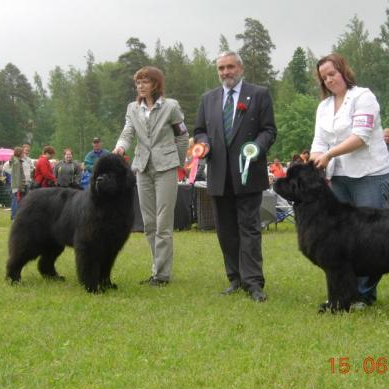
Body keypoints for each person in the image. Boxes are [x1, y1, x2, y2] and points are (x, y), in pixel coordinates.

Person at [310, 53, 389, 308]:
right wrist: (315, 159)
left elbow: (361, 136)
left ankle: (365, 294)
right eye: (324, 78)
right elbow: (318, 142)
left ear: (344, 71)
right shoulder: (323, 107)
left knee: (371, 236)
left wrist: (328, 154)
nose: (329, 80)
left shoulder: (363, 97)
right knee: (342, 240)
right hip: (339, 177)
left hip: (369, 173)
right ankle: (343, 293)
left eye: (332, 74)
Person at [194, 51, 276, 302]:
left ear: (240, 67)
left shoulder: (259, 94)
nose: (225, 72)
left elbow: (269, 130)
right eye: (221, 68)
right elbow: (200, 131)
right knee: (226, 230)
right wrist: (203, 144)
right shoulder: (208, 99)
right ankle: (234, 278)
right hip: (219, 175)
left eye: (230, 67)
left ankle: (253, 282)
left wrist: (256, 149)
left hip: (248, 173)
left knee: (249, 228)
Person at [114, 66, 188, 286]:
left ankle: (162, 274)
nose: (140, 86)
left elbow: (182, 137)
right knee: (149, 223)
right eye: (138, 82)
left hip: (166, 168)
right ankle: (157, 268)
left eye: (145, 81)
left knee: (163, 222)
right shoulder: (132, 109)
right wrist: (120, 147)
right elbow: (128, 132)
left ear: (155, 84)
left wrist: (179, 162)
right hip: (142, 167)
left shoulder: (171, 107)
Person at [9, 147, 26, 220]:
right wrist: (20, 186)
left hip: (15, 185)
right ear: (19, 153)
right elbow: (18, 175)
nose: (23, 154)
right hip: (17, 185)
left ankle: (14, 216)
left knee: (14, 200)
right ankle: (15, 217)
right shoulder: (17, 162)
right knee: (16, 201)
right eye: (22, 152)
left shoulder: (16, 161)